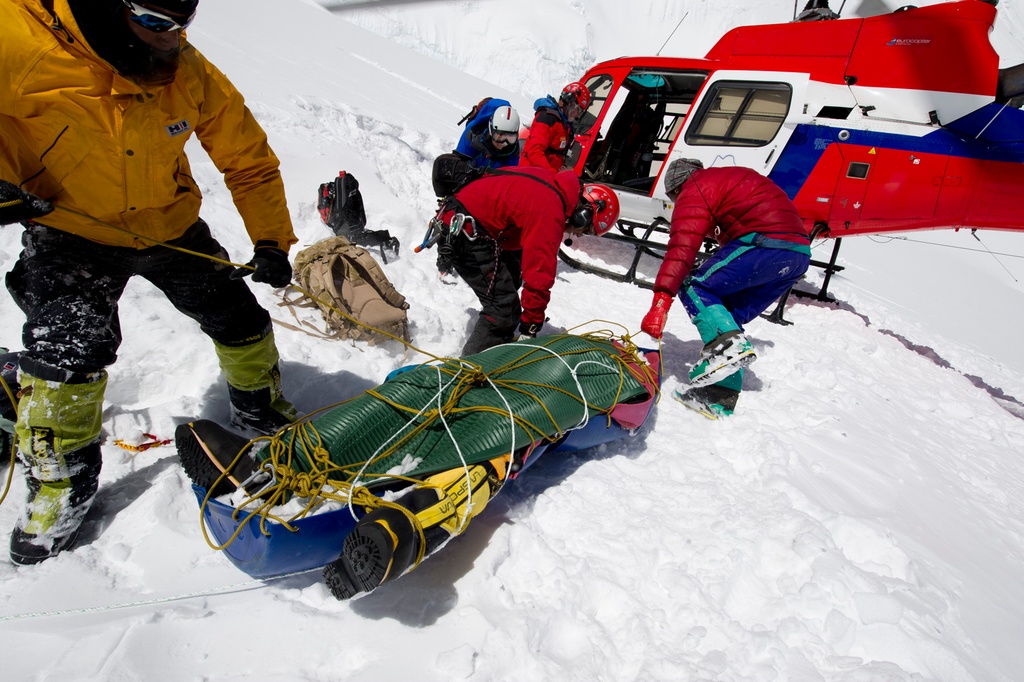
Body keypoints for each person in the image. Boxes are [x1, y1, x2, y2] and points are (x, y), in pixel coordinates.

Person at [0, 0, 299, 564]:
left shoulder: (188, 71)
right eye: (158, 25)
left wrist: (271, 242)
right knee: (70, 352)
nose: (174, 41)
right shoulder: (21, 38)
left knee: (241, 321)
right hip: (70, 228)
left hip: (167, 225)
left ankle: (259, 408)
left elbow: (249, 160)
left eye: (183, 26)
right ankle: (61, 487)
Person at [639, 159, 811, 418]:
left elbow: (681, 250)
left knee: (694, 285)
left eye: (675, 199)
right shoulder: (724, 179)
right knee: (723, 311)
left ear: (678, 187)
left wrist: (661, 301)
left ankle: (728, 349)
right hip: (797, 255)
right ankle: (719, 396)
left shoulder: (695, 188)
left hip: (765, 243)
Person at [434, 167, 619, 355]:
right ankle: (470, 369)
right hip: (464, 232)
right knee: (503, 310)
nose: (579, 234)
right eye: (586, 230)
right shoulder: (550, 210)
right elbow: (539, 276)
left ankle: (494, 340)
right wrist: (531, 325)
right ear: (584, 214)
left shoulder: (554, 186)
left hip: (467, 221)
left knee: (512, 276)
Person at [520, 81, 591, 174]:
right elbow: (535, 152)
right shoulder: (547, 118)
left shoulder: (564, 124)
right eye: (579, 110)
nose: (577, 115)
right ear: (570, 103)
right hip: (532, 174)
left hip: (547, 174)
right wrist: (553, 176)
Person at [454, 101, 521, 170]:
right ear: (491, 130)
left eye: (510, 138)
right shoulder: (473, 133)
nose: (504, 143)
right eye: (499, 136)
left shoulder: (513, 148)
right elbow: (459, 163)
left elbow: (509, 172)